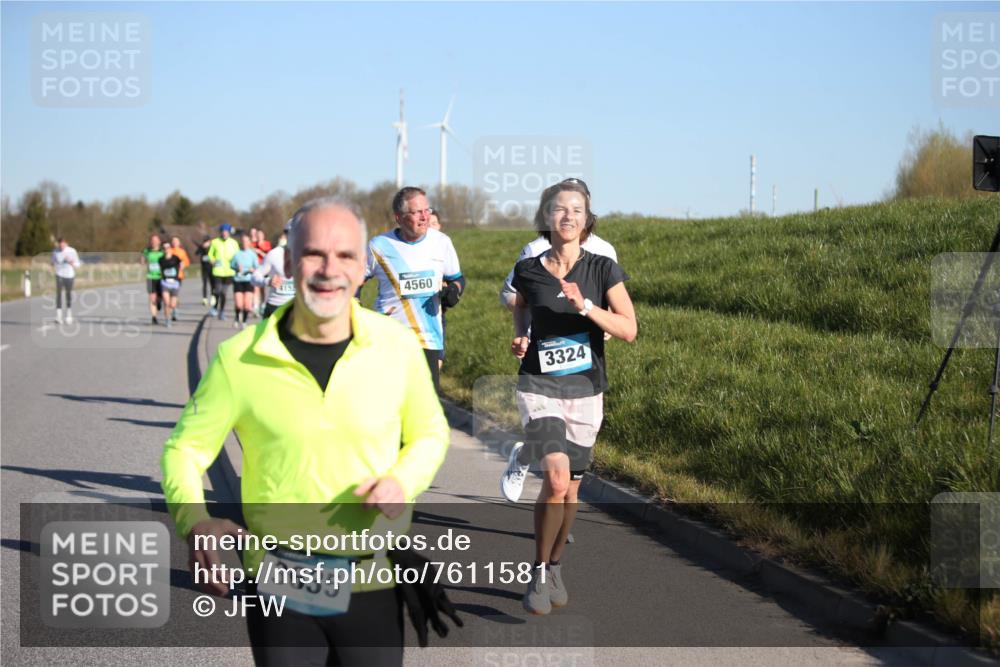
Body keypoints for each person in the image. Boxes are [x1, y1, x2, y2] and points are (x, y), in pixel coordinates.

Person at [161, 196, 449, 665]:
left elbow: (430, 433)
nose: (328, 268)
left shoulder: (395, 346)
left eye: (346, 256)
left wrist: (403, 480)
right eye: (314, 253)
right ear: (290, 262)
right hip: (280, 577)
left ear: (363, 269)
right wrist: (193, 521)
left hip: (369, 575)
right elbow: (185, 450)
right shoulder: (239, 358)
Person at [498, 179, 637, 616]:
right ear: (546, 217)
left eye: (577, 210)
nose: (568, 216)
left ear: (587, 218)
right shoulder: (529, 268)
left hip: (585, 390)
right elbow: (520, 303)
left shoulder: (602, 268)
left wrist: (586, 308)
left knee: (571, 490)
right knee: (555, 480)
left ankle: (555, 565)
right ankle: (538, 571)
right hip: (538, 387)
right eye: (560, 209)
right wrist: (521, 335)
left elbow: (629, 329)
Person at [364, 187, 464, 393]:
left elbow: (457, 278)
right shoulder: (379, 246)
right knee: (390, 409)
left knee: (425, 413)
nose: (425, 217)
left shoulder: (441, 242)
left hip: (428, 339)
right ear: (399, 217)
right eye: (417, 212)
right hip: (389, 339)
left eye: (427, 210)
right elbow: (353, 281)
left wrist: (454, 291)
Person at [253, 227, 295, 318]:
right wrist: (267, 281)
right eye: (290, 233)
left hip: (297, 309)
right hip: (275, 307)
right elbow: (254, 277)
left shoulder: (310, 255)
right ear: (286, 235)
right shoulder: (274, 254)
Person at [207, 223, 240, 320]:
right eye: (223, 232)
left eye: (226, 232)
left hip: (229, 272)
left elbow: (238, 256)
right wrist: (212, 260)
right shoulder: (215, 242)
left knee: (224, 293)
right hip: (218, 271)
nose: (225, 234)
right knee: (217, 290)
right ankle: (214, 307)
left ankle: (221, 311)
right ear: (220, 232)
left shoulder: (234, 243)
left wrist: (238, 265)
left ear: (229, 233)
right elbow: (210, 255)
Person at [230, 233, 260, 328]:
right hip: (238, 280)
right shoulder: (237, 254)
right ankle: (237, 316)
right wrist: (237, 268)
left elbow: (258, 268)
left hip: (249, 281)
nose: (244, 243)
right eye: (243, 241)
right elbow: (231, 265)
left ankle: (244, 321)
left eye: (246, 241)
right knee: (239, 304)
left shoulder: (252, 254)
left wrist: (253, 270)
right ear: (241, 243)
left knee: (247, 305)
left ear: (249, 242)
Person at [51, 237, 81, 325]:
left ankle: (69, 315)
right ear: (58, 244)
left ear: (66, 243)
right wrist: (53, 264)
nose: (61, 246)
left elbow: (78, 264)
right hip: (59, 274)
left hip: (69, 275)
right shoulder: (55, 251)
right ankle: (58, 316)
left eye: (63, 244)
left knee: (68, 295)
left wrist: (72, 263)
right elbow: (52, 262)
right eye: (60, 244)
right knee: (58, 294)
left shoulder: (72, 251)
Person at [142, 234, 165, 325]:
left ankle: (159, 302)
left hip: (161, 277)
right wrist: (143, 262)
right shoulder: (147, 251)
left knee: (160, 297)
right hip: (150, 277)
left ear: (159, 242)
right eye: (152, 240)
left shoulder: (162, 251)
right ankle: (154, 317)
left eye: (155, 240)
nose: (154, 242)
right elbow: (143, 259)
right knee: (152, 297)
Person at [159, 243, 183, 328]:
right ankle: (167, 320)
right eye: (164, 248)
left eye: (168, 247)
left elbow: (182, 264)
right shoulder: (161, 259)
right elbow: (159, 268)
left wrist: (179, 271)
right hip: (165, 283)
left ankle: (174, 310)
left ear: (170, 248)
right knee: (166, 303)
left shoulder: (175, 258)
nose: (166, 249)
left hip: (174, 283)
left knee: (172, 304)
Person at [251, 227, 273, 316]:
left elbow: (269, 256)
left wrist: (260, 252)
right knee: (256, 288)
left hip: (264, 267)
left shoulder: (267, 244)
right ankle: (255, 306)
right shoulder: (253, 244)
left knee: (262, 288)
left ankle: (263, 305)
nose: (259, 236)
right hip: (256, 267)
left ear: (263, 236)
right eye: (258, 235)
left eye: (261, 235)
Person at [169, 236, 191, 321]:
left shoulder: (182, 252)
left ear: (179, 243)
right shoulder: (169, 251)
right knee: (170, 295)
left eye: (176, 241)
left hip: (178, 276)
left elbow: (187, 262)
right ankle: (172, 309)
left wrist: (183, 264)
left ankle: (174, 310)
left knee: (175, 294)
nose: (174, 242)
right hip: (168, 276)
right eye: (173, 241)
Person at [197, 236, 213, 306]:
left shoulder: (212, 248)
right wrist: (202, 248)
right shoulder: (202, 248)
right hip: (204, 268)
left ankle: (213, 297)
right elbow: (196, 253)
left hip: (212, 268)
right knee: (204, 284)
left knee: (213, 284)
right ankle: (204, 298)